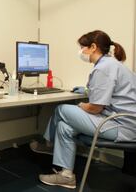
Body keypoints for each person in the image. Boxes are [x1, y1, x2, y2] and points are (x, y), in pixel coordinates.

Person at [30, 30, 136, 189]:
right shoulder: (112, 64)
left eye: (82, 47)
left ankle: (48, 145)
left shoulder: (103, 68)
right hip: (120, 121)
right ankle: (66, 176)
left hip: (121, 126)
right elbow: (110, 93)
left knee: (61, 109)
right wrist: (87, 91)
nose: (81, 52)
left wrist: (81, 105)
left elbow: (95, 107)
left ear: (93, 47)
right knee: (64, 126)